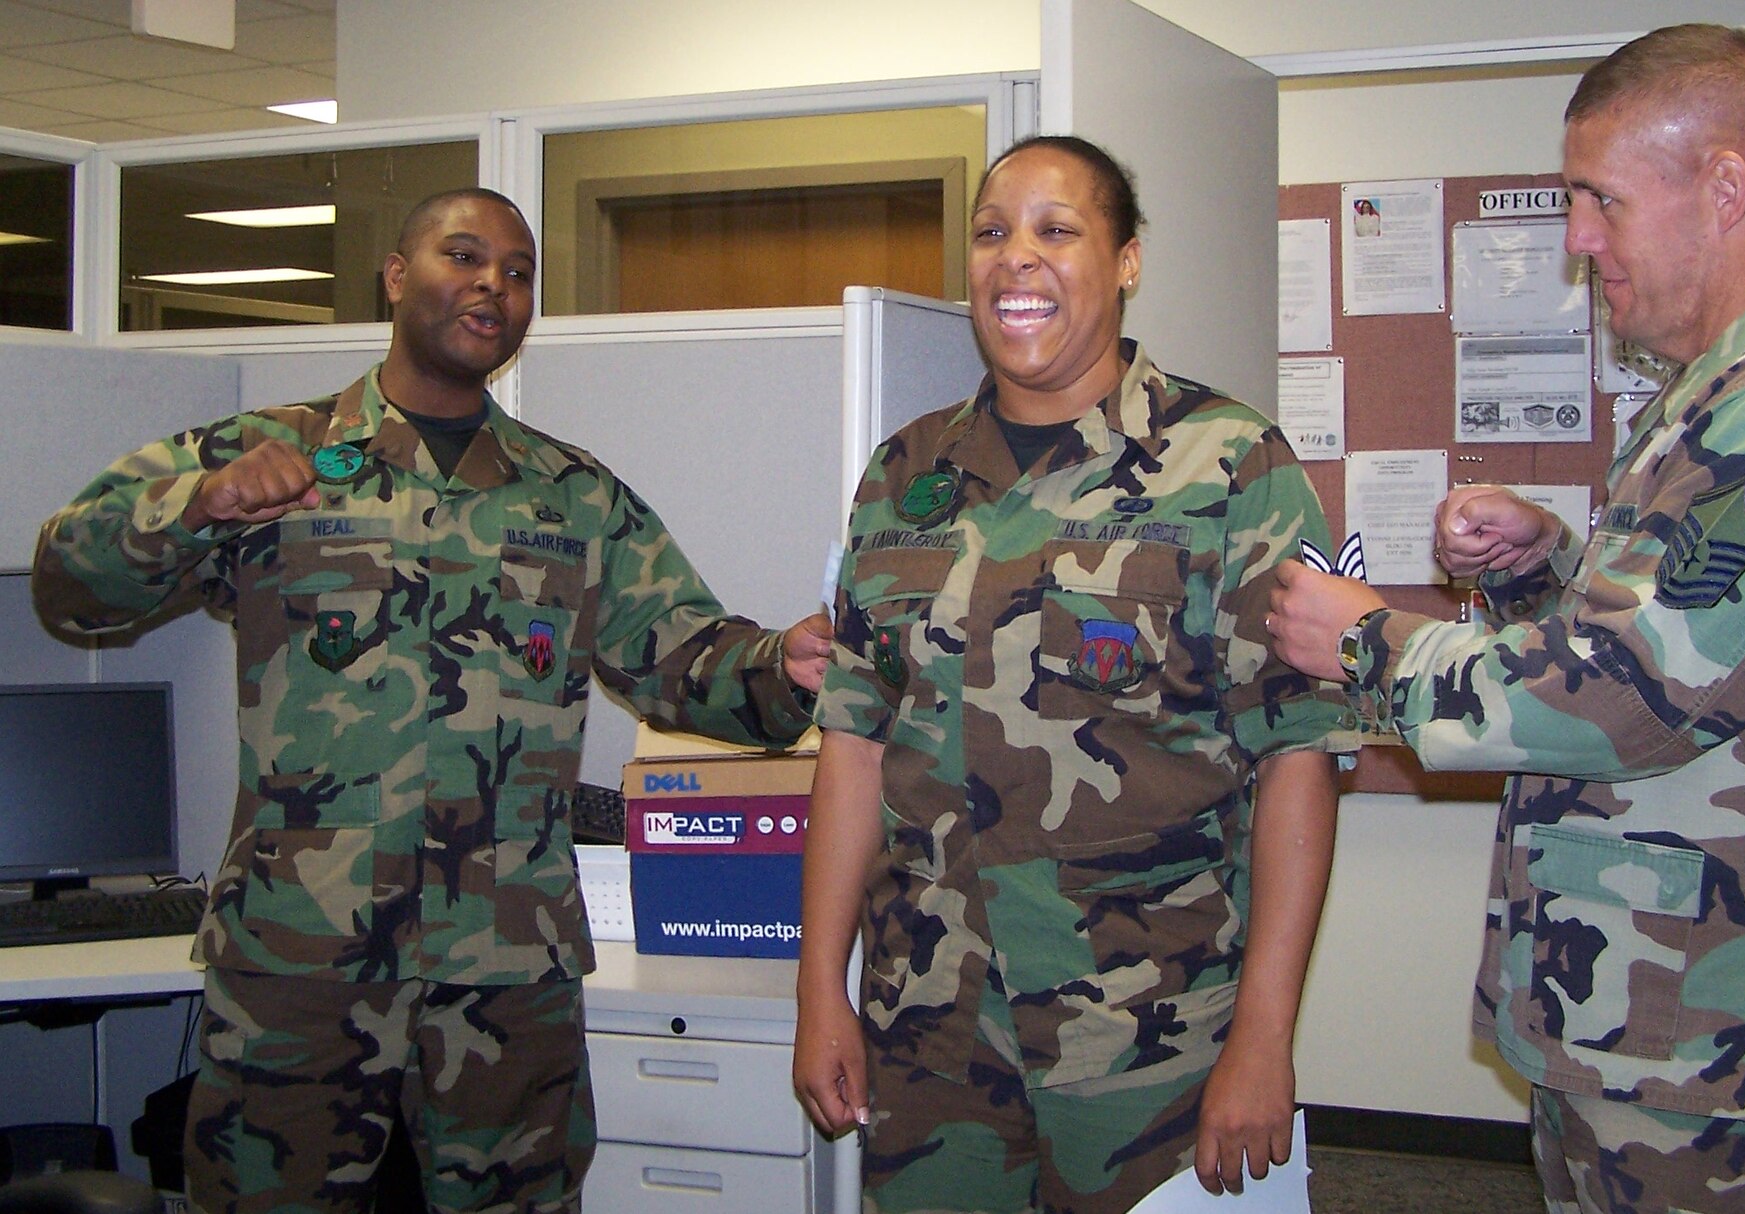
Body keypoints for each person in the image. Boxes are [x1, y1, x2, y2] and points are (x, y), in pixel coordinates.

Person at [32, 187, 833, 1214]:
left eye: (517, 270)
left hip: (504, 963)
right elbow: (69, 582)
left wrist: (784, 664)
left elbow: (681, 657)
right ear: (397, 275)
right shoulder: (275, 451)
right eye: (463, 256)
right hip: (301, 954)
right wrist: (195, 506)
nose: (492, 285)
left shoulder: (573, 495)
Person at [1268, 25, 1745, 1214]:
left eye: (1597, 199)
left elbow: (1626, 696)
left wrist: (1365, 638)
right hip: (1678, 1037)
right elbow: (1729, 649)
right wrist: (1552, 564)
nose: (1577, 239)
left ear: (1725, 188)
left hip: (1744, 1064)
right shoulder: (1727, 393)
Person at [791, 135, 1356, 1214]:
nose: (1017, 260)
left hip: (1149, 1035)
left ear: (1126, 260)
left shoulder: (1231, 463)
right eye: (993, 232)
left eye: (1057, 231)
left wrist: (1263, 1039)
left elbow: (1299, 758)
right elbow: (854, 742)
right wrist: (824, 986)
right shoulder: (903, 475)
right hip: (930, 1025)